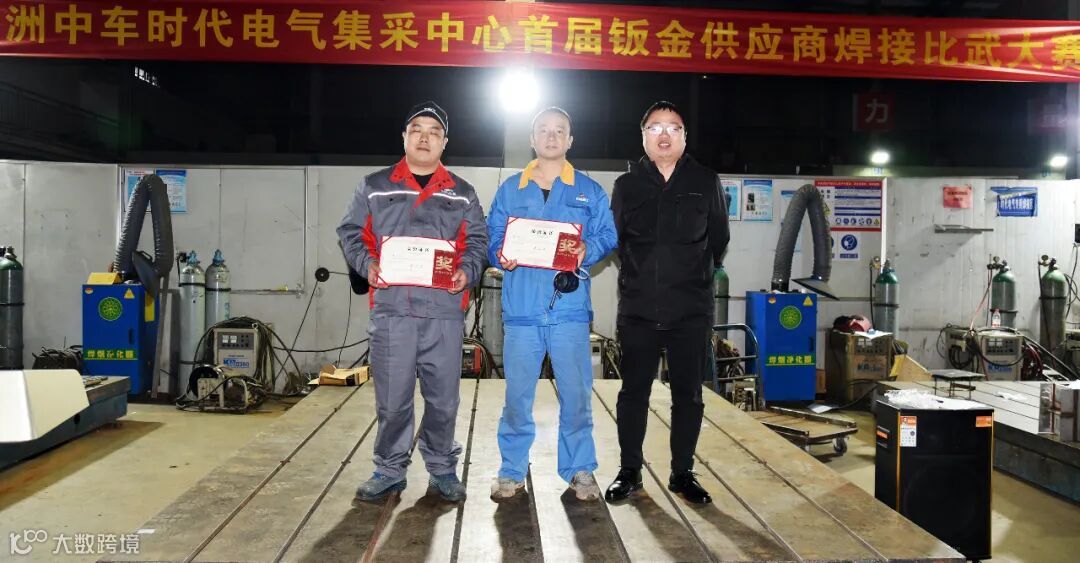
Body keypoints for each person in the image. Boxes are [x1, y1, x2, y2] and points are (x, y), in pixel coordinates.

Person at [338, 101, 488, 502]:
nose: (425, 137)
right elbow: (351, 232)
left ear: (445, 142)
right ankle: (389, 470)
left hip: (444, 311)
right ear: (404, 137)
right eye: (417, 130)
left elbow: (477, 242)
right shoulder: (375, 186)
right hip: (392, 311)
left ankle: (442, 469)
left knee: (444, 400)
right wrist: (367, 264)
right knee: (392, 400)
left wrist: (466, 271)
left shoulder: (462, 193)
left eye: (434, 132)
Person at [486, 107, 618, 501]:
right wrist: (500, 254)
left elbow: (608, 234)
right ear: (532, 139)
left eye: (560, 130)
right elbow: (493, 236)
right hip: (523, 313)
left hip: (569, 312)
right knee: (517, 397)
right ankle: (511, 470)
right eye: (543, 130)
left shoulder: (588, 190)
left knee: (576, 396)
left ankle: (579, 469)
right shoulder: (511, 189)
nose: (551, 136)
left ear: (570, 140)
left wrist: (586, 249)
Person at [605, 101, 730, 505]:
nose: (664, 135)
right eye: (655, 127)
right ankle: (629, 471)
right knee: (633, 393)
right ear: (643, 136)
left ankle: (682, 472)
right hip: (638, 309)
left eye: (673, 128)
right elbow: (617, 240)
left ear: (684, 138)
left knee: (688, 396)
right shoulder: (627, 185)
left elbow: (719, 239)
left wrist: (688, 274)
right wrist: (643, 274)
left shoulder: (705, 180)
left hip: (690, 311)